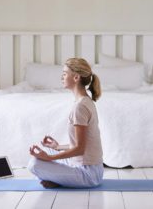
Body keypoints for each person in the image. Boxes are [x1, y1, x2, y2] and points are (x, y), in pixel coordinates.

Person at [27, 58, 104, 188]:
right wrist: (57, 147)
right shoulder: (85, 101)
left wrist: (49, 159)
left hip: (89, 174)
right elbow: (83, 144)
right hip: (89, 167)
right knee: (46, 152)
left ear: (76, 77)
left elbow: (80, 148)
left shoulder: (80, 107)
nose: (61, 77)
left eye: (64, 74)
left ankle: (59, 180)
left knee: (34, 164)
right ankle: (60, 178)